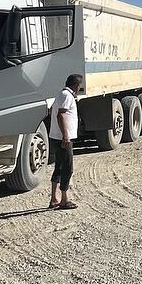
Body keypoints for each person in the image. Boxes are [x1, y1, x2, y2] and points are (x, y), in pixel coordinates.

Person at [48, 73, 83, 210]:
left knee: (59, 167)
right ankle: (64, 199)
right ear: (77, 86)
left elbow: (52, 111)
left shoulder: (61, 94)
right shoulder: (67, 96)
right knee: (67, 168)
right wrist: (65, 135)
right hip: (62, 137)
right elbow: (60, 114)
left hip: (57, 135)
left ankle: (54, 198)